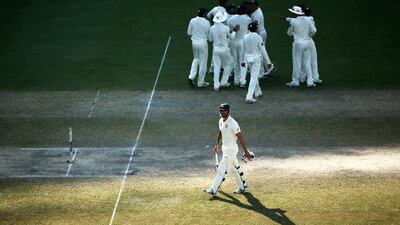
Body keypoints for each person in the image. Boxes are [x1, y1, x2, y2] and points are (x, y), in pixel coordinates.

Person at [204, 103, 253, 196]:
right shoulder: (220, 121)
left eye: (223, 110)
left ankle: (213, 189)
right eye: (220, 110)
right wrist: (216, 145)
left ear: (228, 111)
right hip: (225, 148)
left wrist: (246, 151)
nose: (221, 112)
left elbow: (240, 137)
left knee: (221, 169)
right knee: (235, 169)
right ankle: (243, 187)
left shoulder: (233, 123)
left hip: (231, 149)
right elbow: (220, 132)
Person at [285, 6, 316, 88]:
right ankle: (310, 82)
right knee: (307, 62)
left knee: (297, 62)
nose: (291, 13)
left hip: (298, 43)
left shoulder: (294, 21)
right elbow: (314, 30)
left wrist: (291, 26)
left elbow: (289, 33)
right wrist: (309, 35)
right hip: (308, 42)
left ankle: (295, 81)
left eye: (292, 12)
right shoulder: (308, 19)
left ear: (295, 13)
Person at [208, 11, 239, 91]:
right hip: (225, 50)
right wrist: (235, 31)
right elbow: (232, 38)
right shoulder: (226, 28)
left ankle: (216, 86)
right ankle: (223, 82)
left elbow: (210, 39)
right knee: (227, 65)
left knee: (217, 67)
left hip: (216, 50)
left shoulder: (211, 28)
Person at [247, 1, 276, 78]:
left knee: (260, 52)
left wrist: (254, 37)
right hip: (260, 33)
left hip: (260, 34)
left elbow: (255, 27)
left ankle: (262, 72)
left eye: (251, 5)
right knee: (262, 51)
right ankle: (270, 67)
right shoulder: (256, 11)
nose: (250, 7)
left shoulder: (258, 15)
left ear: (255, 6)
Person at [227, 4, 252, 87]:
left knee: (235, 61)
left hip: (233, 41)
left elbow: (230, 30)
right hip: (243, 42)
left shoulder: (231, 19)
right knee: (243, 62)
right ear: (244, 11)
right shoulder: (248, 19)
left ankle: (236, 80)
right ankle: (242, 82)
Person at [243, 22, 269, 103]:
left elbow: (244, 50)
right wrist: (268, 62)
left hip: (248, 58)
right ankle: (249, 96)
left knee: (253, 75)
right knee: (254, 77)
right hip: (256, 59)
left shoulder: (245, 37)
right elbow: (263, 49)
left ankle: (258, 91)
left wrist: (243, 61)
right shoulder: (258, 37)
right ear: (256, 29)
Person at [187, 8, 211, 88]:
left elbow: (189, 33)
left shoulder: (192, 20)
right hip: (203, 44)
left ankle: (191, 77)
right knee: (203, 63)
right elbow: (209, 36)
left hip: (194, 43)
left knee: (196, 59)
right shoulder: (207, 22)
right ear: (204, 14)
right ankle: (201, 82)